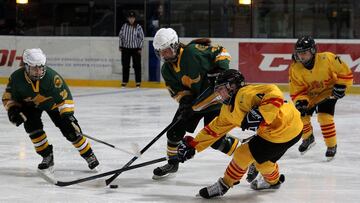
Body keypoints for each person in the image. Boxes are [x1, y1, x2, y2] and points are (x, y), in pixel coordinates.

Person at [176, 69, 303, 198]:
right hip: (283, 132)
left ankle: (224, 184)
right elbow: (214, 130)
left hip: (284, 128)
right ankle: (273, 181)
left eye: (220, 89)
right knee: (263, 163)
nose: (218, 94)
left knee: (243, 154)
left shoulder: (245, 94)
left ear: (232, 86)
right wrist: (194, 145)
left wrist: (262, 113)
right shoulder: (227, 110)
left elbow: (274, 91)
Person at [151, 28, 239, 179]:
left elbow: (221, 51)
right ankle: (172, 163)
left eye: (166, 51)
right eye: (160, 52)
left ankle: (247, 157)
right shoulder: (166, 69)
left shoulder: (192, 52)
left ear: (174, 46)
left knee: (215, 139)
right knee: (174, 131)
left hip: (215, 99)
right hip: (195, 102)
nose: (163, 55)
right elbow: (176, 90)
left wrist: (220, 70)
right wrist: (184, 100)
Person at [1, 48, 99, 172]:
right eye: (34, 68)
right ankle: (47, 156)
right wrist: (13, 110)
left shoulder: (52, 78)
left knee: (71, 130)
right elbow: (8, 96)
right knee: (33, 129)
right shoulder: (16, 78)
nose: (38, 71)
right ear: (26, 66)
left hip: (53, 105)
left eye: (41, 67)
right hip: (30, 106)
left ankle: (89, 155)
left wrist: (68, 115)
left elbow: (64, 98)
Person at [289, 35, 353, 161]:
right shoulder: (295, 68)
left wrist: (341, 85)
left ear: (313, 51)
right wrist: (300, 101)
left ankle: (331, 145)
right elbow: (296, 89)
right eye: (299, 53)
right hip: (310, 95)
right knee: (301, 115)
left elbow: (344, 71)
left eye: (305, 53)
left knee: (324, 117)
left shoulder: (327, 58)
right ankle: (308, 138)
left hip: (328, 91)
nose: (301, 57)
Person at [118, 11, 144, 88]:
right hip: (126, 49)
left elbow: (141, 37)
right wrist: (120, 46)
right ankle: (124, 81)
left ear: (135, 18)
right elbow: (121, 36)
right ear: (128, 18)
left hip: (136, 49)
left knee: (137, 66)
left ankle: (138, 82)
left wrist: (140, 47)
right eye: (130, 18)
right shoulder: (124, 26)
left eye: (132, 18)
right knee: (125, 65)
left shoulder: (138, 27)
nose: (131, 19)